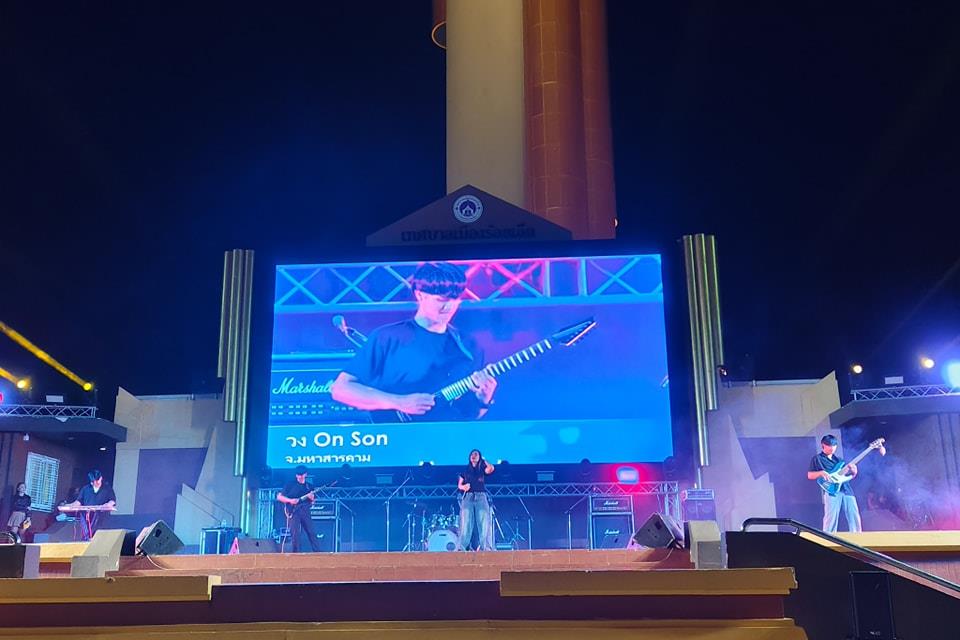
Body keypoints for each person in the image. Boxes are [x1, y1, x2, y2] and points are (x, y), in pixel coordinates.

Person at [331, 262, 497, 421]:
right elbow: (341, 389)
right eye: (441, 300)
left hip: (448, 437)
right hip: (398, 435)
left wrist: (483, 399)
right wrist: (399, 402)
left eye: (455, 300)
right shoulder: (388, 337)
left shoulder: (468, 345)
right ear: (420, 295)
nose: (449, 307)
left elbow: (471, 415)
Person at [808, 434, 862, 532]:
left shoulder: (840, 461)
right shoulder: (817, 459)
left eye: (834, 445)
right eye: (829, 445)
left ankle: (857, 536)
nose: (832, 448)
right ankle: (828, 537)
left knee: (854, 514)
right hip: (831, 490)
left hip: (846, 489)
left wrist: (854, 472)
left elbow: (848, 477)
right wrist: (821, 473)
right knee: (831, 516)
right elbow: (810, 475)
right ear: (823, 445)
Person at [276, 465, 323, 552]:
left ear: (306, 474)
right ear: (296, 475)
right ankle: (296, 554)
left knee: (311, 532)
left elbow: (312, 503)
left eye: (302, 475)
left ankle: (318, 552)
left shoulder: (309, 486)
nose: (300, 477)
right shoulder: (290, 484)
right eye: (298, 475)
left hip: (305, 511)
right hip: (293, 511)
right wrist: (290, 500)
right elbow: (279, 497)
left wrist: (312, 498)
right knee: (295, 534)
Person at [458, 449, 495, 551]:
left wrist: (484, 460)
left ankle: (485, 547)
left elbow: (491, 468)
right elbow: (459, 485)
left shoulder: (482, 469)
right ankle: (462, 547)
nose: (473, 456)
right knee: (466, 522)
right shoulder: (465, 470)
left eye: (476, 454)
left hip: (480, 496)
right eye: (472, 454)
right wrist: (463, 487)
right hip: (468, 497)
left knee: (483, 521)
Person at [63, 470, 117, 540]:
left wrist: (107, 505)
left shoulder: (107, 489)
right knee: (86, 533)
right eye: (93, 482)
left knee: (98, 535)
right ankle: (86, 540)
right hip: (87, 515)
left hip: (101, 517)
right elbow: (79, 501)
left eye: (97, 481)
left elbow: (112, 500)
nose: (95, 483)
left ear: (101, 478)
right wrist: (69, 506)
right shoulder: (85, 489)